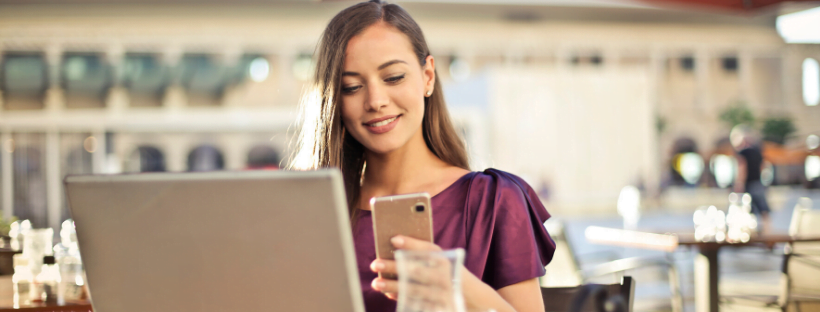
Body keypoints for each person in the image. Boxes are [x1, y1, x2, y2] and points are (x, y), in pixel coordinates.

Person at [288, 1, 556, 311]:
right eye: (352, 87)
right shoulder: (314, 213)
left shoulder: (493, 200)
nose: (375, 101)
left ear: (427, 76)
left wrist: (459, 287)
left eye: (393, 78)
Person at [731, 124, 772, 234]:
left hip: (748, 184)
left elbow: (742, 169)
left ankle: (748, 232)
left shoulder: (742, 153)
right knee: (763, 210)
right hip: (758, 183)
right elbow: (763, 166)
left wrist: (738, 184)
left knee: (746, 209)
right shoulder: (757, 152)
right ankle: (767, 232)